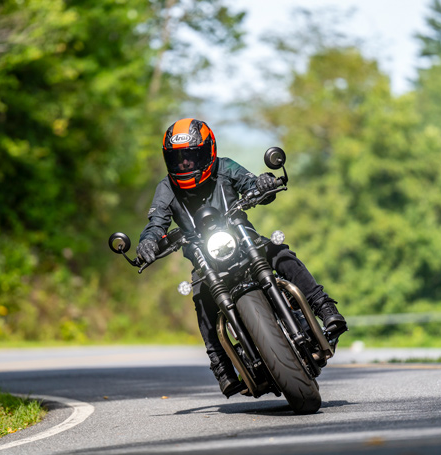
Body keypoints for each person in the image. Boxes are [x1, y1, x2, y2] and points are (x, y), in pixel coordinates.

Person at [137, 118, 347, 397]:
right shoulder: (166, 189)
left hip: (244, 241)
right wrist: (149, 241)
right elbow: (156, 222)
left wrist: (262, 183)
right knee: (202, 298)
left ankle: (324, 307)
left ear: (208, 151)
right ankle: (221, 365)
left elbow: (249, 182)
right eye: (178, 159)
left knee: (280, 254)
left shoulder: (225, 168)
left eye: (192, 156)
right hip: (205, 260)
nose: (185, 164)